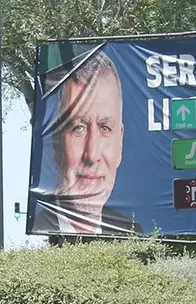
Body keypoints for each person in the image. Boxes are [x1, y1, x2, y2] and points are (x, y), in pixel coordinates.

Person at [30, 50, 144, 237]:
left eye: (105, 128)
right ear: (56, 141)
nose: (92, 154)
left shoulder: (133, 235)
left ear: (120, 143)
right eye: (78, 128)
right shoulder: (38, 235)